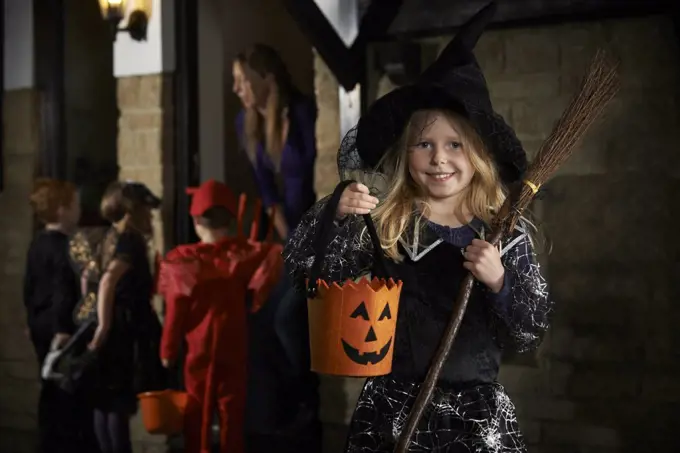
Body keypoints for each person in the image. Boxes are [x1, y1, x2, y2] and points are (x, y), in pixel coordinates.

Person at [283, 2, 554, 452]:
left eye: (455, 144)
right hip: (394, 413)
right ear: (404, 153)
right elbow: (309, 277)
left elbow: (530, 330)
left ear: (480, 155)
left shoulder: (503, 235)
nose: (439, 158)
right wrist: (336, 217)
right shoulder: (388, 226)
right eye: (423, 144)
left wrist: (500, 281)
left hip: (476, 419)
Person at [232, 43, 321, 450]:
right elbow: (268, 196)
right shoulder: (245, 124)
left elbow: (321, 179)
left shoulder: (304, 114)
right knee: (263, 319)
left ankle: (308, 399)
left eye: (242, 81)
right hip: (292, 239)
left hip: (323, 232)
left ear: (266, 79)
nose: (237, 89)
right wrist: (290, 244)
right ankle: (284, 408)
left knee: (286, 317)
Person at [158, 179, 283, 453]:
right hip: (233, 345)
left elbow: (175, 312)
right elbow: (274, 253)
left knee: (197, 411)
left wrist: (168, 350)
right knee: (231, 413)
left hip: (198, 350)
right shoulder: (243, 255)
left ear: (196, 222)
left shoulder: (183, 262)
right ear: (230, 221)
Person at [88, 181, 167, 453]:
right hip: (124, 327)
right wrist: (104, 324)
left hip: (117, 321)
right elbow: (108, 280)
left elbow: (92, 278)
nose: (151, 216)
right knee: (118, 403)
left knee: (106, 401)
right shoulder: (129, 241)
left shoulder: (107, 237)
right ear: (133, 211)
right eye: (146, 209)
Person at [24, 178, 98, 453]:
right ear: (62, 210)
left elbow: (29, 286)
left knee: (50, 388)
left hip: (40, 324)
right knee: (66, 393)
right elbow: (62, 291)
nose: (79, 210)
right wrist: (62, 330)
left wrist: (31, 320)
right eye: (75, 205)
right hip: (61, 329)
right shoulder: (65, 247)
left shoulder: (37, 244)